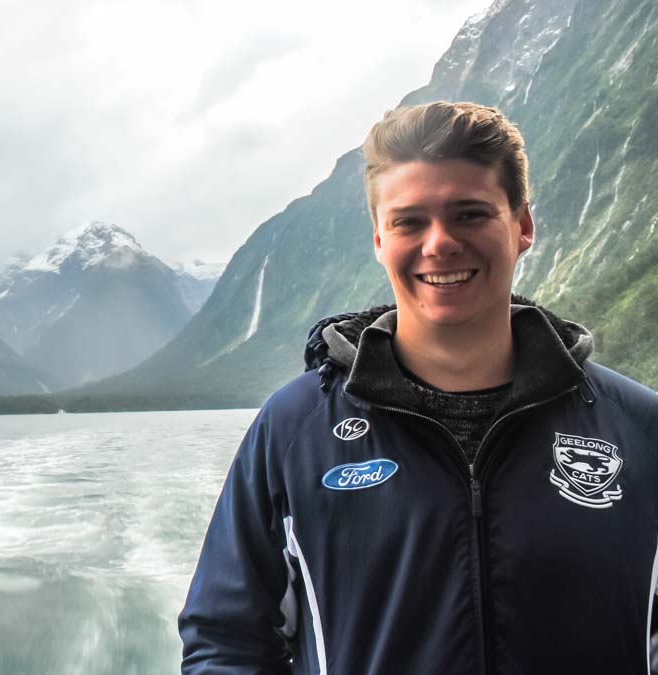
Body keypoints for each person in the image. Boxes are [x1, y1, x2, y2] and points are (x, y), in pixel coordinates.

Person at [178, 101, 658, 674]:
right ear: (380, 238)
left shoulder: (638, 427)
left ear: (522, 226)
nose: (440, 243)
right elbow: (227, 641)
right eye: (410, 221)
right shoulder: (292, 431)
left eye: (470, 214)